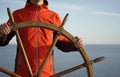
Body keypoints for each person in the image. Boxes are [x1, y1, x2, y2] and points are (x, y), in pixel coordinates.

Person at [0, 0, 84, 77]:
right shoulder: (17, 14)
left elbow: (61, 43)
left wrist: (74, 45)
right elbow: (3, 41)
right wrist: (2, 32)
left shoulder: (53, 16)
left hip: (47, 74)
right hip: (22, 73)